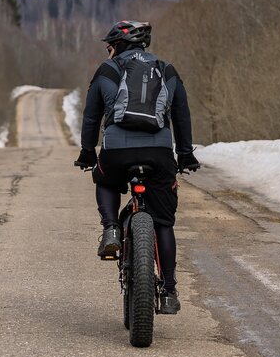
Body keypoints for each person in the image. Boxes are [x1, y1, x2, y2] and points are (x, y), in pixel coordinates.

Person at [75, 20, 199, 314]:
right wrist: (185, 155)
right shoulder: (167, 70)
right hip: (159, 153)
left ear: (117, 46)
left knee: (104, 179)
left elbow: (91, 116)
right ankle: (168, 291)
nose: (108, 53)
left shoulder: (107, 70)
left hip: (117, 151)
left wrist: (87, 153)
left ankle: (111, 229)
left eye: (109, 47)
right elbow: (181, 116)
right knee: (164, 223)